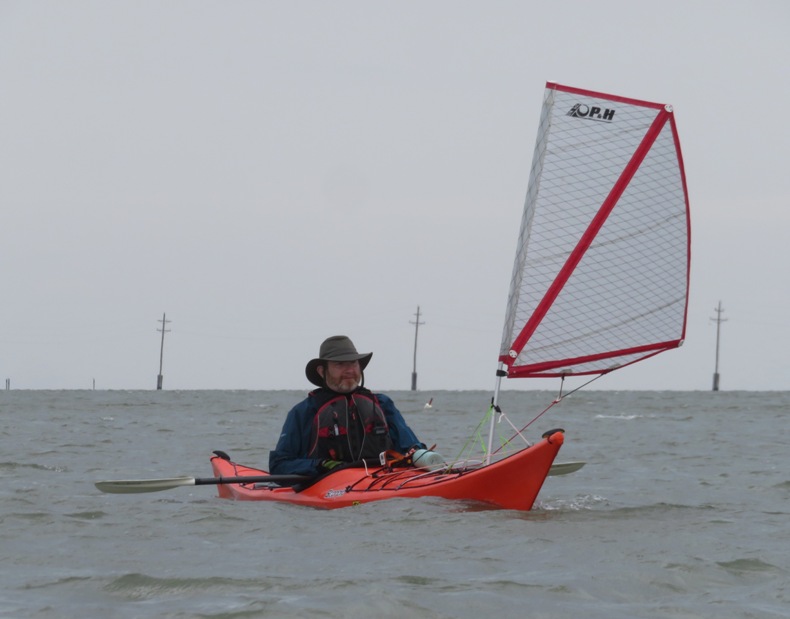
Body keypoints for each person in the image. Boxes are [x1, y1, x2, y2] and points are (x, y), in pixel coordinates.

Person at [269, 335, 432, 477]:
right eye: (339, 364)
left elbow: (410, 445)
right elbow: (279, 465)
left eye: (353, 363)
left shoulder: (382, 404)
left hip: (383, 477)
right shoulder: (303, 412)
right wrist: (320, 466)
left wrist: (419, 454)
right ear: (321, 371)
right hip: (328, 483)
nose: (349, 370)